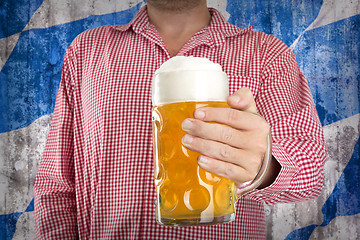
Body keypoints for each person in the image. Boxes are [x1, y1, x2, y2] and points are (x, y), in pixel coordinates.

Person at [34, 0, 327, 239]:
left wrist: (263, 167)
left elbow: (311, 170)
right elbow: (56, 184)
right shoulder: (87, 50)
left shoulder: (266, 53)